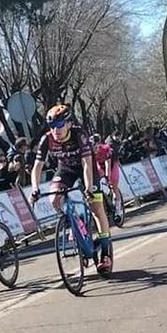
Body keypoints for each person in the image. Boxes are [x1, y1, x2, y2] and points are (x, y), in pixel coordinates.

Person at [29, 105, 113, 273]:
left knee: (96, 209)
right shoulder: (47, 140)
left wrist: (89, 187)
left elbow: (87, 164)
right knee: (54, 199)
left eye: (60, 125)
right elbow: (37, 166)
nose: (55, 130)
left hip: (86, 170)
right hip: (66, 170)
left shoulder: (79, 135)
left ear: (68, 124)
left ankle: (105, 253)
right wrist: (34, 189)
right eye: (52, 126)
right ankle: (75, 225)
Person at [93, 135, 124, 217]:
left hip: (112, 165)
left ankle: (118, 209)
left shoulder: (105, 149)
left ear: (98, 144)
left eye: (95, 147)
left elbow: (108, 165)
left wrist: (108, 178)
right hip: (100, 166)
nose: (94, 149)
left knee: (113, 185)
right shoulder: (91, 153)